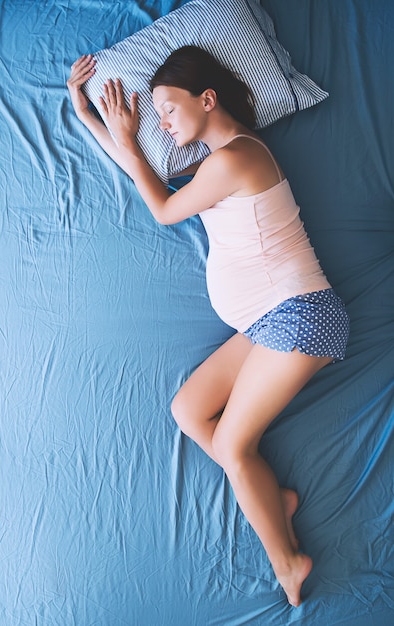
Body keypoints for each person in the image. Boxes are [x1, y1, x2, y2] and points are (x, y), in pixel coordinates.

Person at [67, 45, 349, 607]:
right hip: (272, 321)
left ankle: (290, 562)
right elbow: (142, 170)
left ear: (208, 99)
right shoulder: (216, 162)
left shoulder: (236, 157)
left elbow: (164, 210)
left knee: (233, 445)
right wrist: (87, 114)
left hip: (300, 316)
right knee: (188, 410)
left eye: (168, 110)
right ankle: (273, 500)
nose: (161, 124)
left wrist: (126, 138)